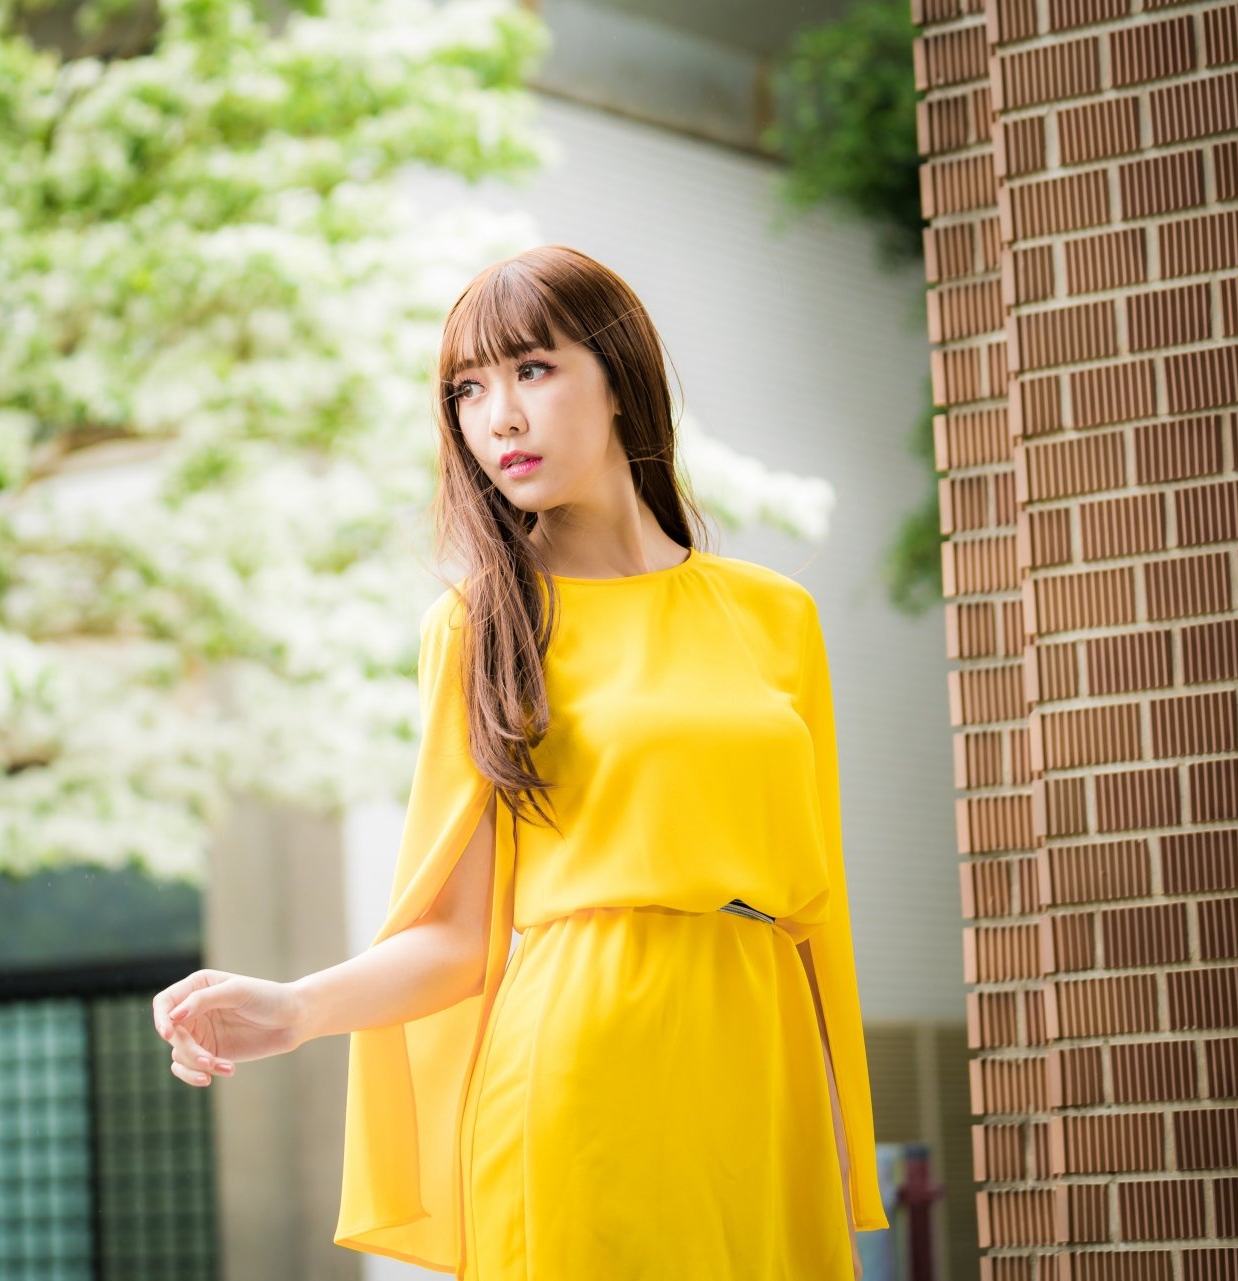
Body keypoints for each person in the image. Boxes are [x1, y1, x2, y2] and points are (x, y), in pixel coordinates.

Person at [152, 244, 889, 1278]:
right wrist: (299, 1008)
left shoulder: (777, 617)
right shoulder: (482, 629)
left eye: (533, 370)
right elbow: (458, 933)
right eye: (468, 389)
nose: (498, 417)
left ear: (622, 379)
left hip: (759, 1067)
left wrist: (829, 1106)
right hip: (580, 1073)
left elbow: (823, 913)